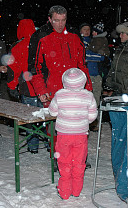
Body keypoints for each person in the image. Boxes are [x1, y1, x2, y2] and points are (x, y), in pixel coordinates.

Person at [28, 5, 92, 168]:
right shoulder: (40, 36)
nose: (60, 24)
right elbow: (34, 67)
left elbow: (82, 64)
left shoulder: (73, 34)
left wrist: (88, 89)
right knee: (56, 127)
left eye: (63, 20)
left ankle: (78, 156)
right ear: (49, 19)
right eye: (56, 20)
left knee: (78, 124)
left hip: (76, 88)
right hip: (52, 89)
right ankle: (58, 158)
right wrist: (40, 90)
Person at [48, 68, 97, 200]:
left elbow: (52, 112)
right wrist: (82, 120)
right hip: (81, 134)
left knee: (64, 162)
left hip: (64, 134)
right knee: (79, 162)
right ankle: (76, 190)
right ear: (83, 81)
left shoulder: (59, 94)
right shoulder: (88, 95)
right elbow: (92, 116)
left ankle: (64, 192)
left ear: (65, 81)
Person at [7, 19, 48, 153]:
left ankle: (33, 146)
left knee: (30, 119)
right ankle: (50, 144)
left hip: (27, 88)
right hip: (43, 88)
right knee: (46, 118)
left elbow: (13, 70)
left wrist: (12, 86)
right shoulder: (42, 42)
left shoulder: (17, 46)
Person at [104, 21, 128, 98]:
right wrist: (109, 83)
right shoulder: (120, 48)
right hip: (117, 88)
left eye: (123, 34)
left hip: (127, 90)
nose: (120, 36)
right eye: (120, 33)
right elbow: (113, 67)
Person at [85, 22, 109, 131]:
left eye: (91, 30)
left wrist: (89, 54)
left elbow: (101, 57)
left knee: (95, 99)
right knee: (88, 99)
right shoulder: (89, 41)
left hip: (96, 74)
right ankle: (88, 122)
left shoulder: (98, 41)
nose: (91, 32)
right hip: (88, 74)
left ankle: (93, 122)